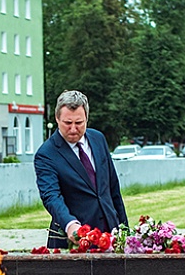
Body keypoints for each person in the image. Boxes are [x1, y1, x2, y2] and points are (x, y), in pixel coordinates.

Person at [34, 90, 128, 249]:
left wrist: (125, 229)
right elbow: (51, 196)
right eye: (67, 123)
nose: (73, 129)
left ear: (86, 119)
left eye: (79, 123)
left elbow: (113, 188)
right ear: (57, 118)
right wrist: (70, 224)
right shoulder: (46, 154)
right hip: (72, 241)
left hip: (110, 234)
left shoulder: (98, 139)